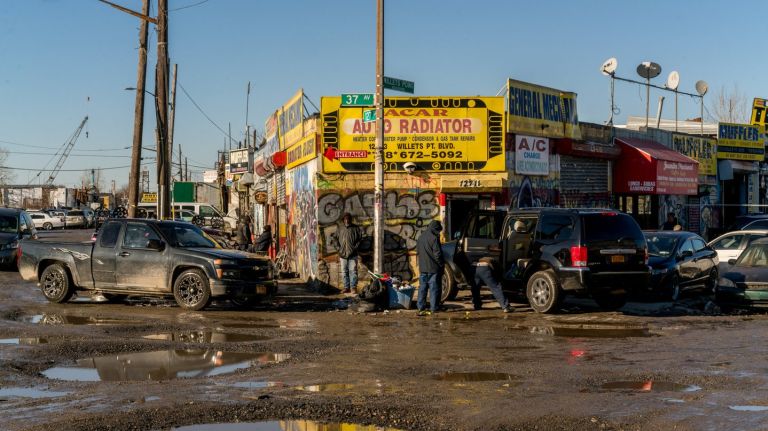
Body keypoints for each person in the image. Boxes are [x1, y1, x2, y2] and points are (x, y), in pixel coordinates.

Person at [416, 220, 444, 316]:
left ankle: (420, 307)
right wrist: (441, 264)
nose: (439, 233)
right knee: (433, 288)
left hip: (423, 268)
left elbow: (418, 252)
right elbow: (438, 254)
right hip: (433, 268)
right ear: (435, 229)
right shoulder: (434, 238)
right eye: (438, 231)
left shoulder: (420, 237)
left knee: (422, 288)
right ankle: (433, 308)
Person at [337, 213, 362, 294]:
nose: (347, 220)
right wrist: (338, 248)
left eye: (348, 219)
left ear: (350, 219)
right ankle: (346, 287)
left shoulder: (355, 228)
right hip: (342, 254)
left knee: (353, 271)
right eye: (345, 219)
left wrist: (355, 248)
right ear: (343, 220)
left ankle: (353, 287)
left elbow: (360, 239)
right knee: (344, 271)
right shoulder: (340, 228)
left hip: (353, 254)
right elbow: (334, 238)